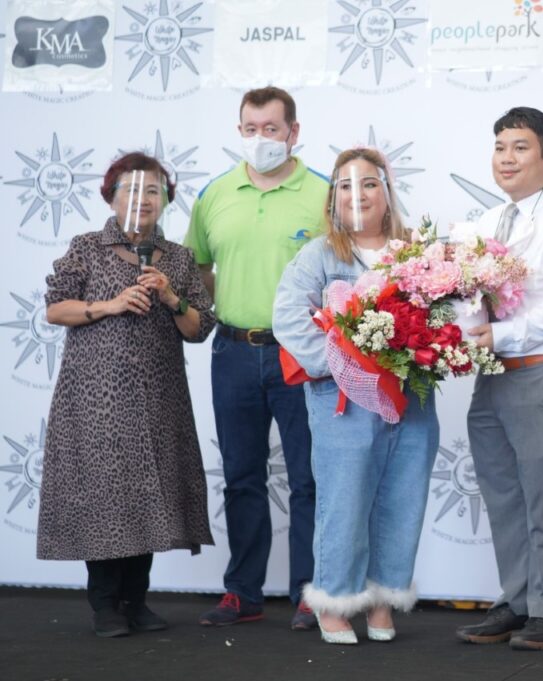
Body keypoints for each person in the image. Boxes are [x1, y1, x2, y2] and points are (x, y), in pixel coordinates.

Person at [37, 152, 215, 637]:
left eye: (153, 190)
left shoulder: (178, 258)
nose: (143, 199)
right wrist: (109, 305)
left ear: (166, 200)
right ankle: (105, 607)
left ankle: (136, 601)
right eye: (132, 190)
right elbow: (55, 309)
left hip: (160, 397)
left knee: (151, 494)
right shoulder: (87, 248)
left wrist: (171, 297)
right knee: (105, 495)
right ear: (111, 198)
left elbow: (199, 328)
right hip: (96, 400)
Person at [273, 148, 440, 645]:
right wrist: (344, 364)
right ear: (332, 198)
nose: (357, 195)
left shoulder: (417, 254)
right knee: (344, 499)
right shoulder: (319, 255)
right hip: (343, 400)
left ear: (387, 192)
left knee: (403, 496)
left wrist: (432, 348)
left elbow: (449, 315)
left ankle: (383, 600)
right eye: (344, 185)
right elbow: (288, 318)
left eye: (368, 183)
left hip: (410, 397)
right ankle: (335, 600)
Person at [185, 86, 328, 630]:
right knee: (241, 476)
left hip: (302, 354)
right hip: (233, 351)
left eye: (271, 128)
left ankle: (311, 594)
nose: (260, 138)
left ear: (293, 132)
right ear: (239, 130)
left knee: (309, 479)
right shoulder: (215, 194)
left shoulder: (323, 194)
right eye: (251, 128)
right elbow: (198, 268)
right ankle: (242, 592)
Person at [455, 107, 543, 650]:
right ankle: (516, 601)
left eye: (520, 147)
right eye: (500, 147)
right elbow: (471, 296)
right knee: (503, 496)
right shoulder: (488, 222)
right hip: (493, 376)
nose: (507, 158)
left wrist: (502, 336)